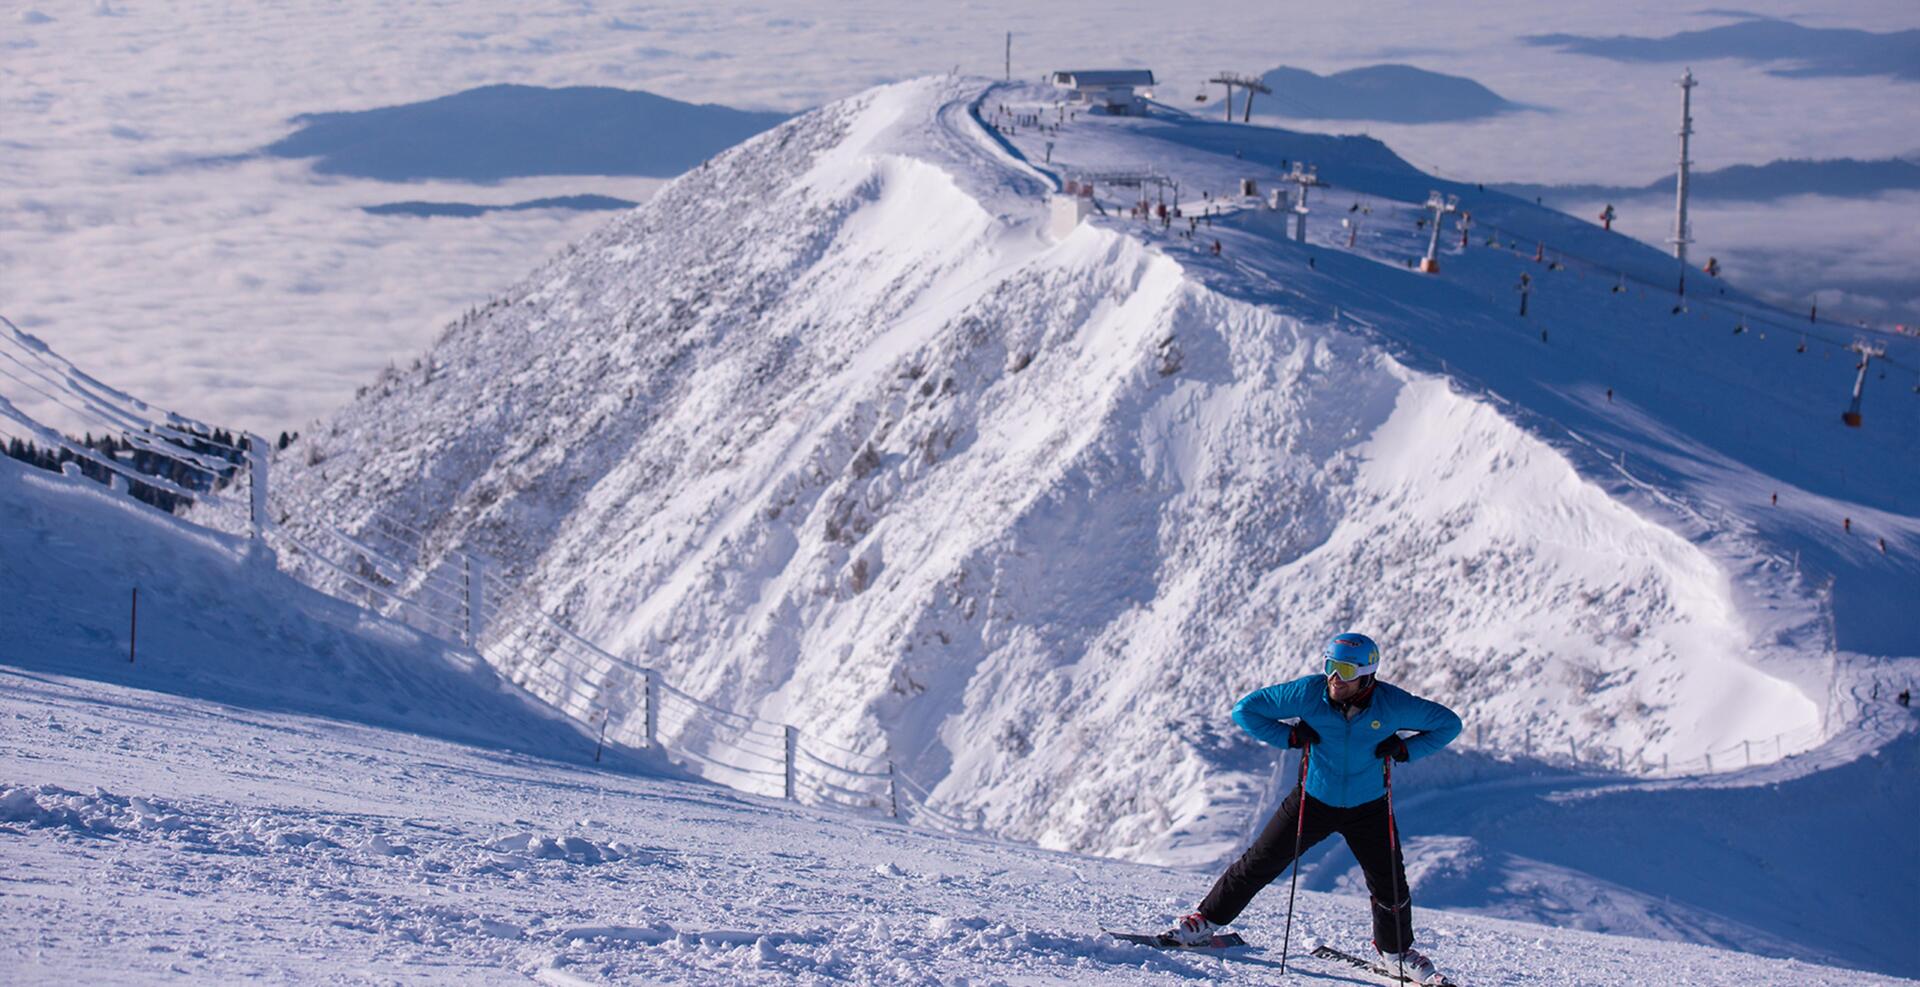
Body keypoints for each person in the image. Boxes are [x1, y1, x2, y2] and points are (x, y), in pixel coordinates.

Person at [1163, 633, 1462, 985]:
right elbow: (1245, 710)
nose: (1335, 677)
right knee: (1258, 863)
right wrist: (1288, 737)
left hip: (1370, 808)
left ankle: (1395, 954)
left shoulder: (1392, 704)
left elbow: (1448, 724)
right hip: (1312, 801)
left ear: (1367, 675)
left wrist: (1404, 750)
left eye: (1346, 670)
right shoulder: (1308, 693)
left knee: (1390, 885)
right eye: (1331, 666)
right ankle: (1204, 924)